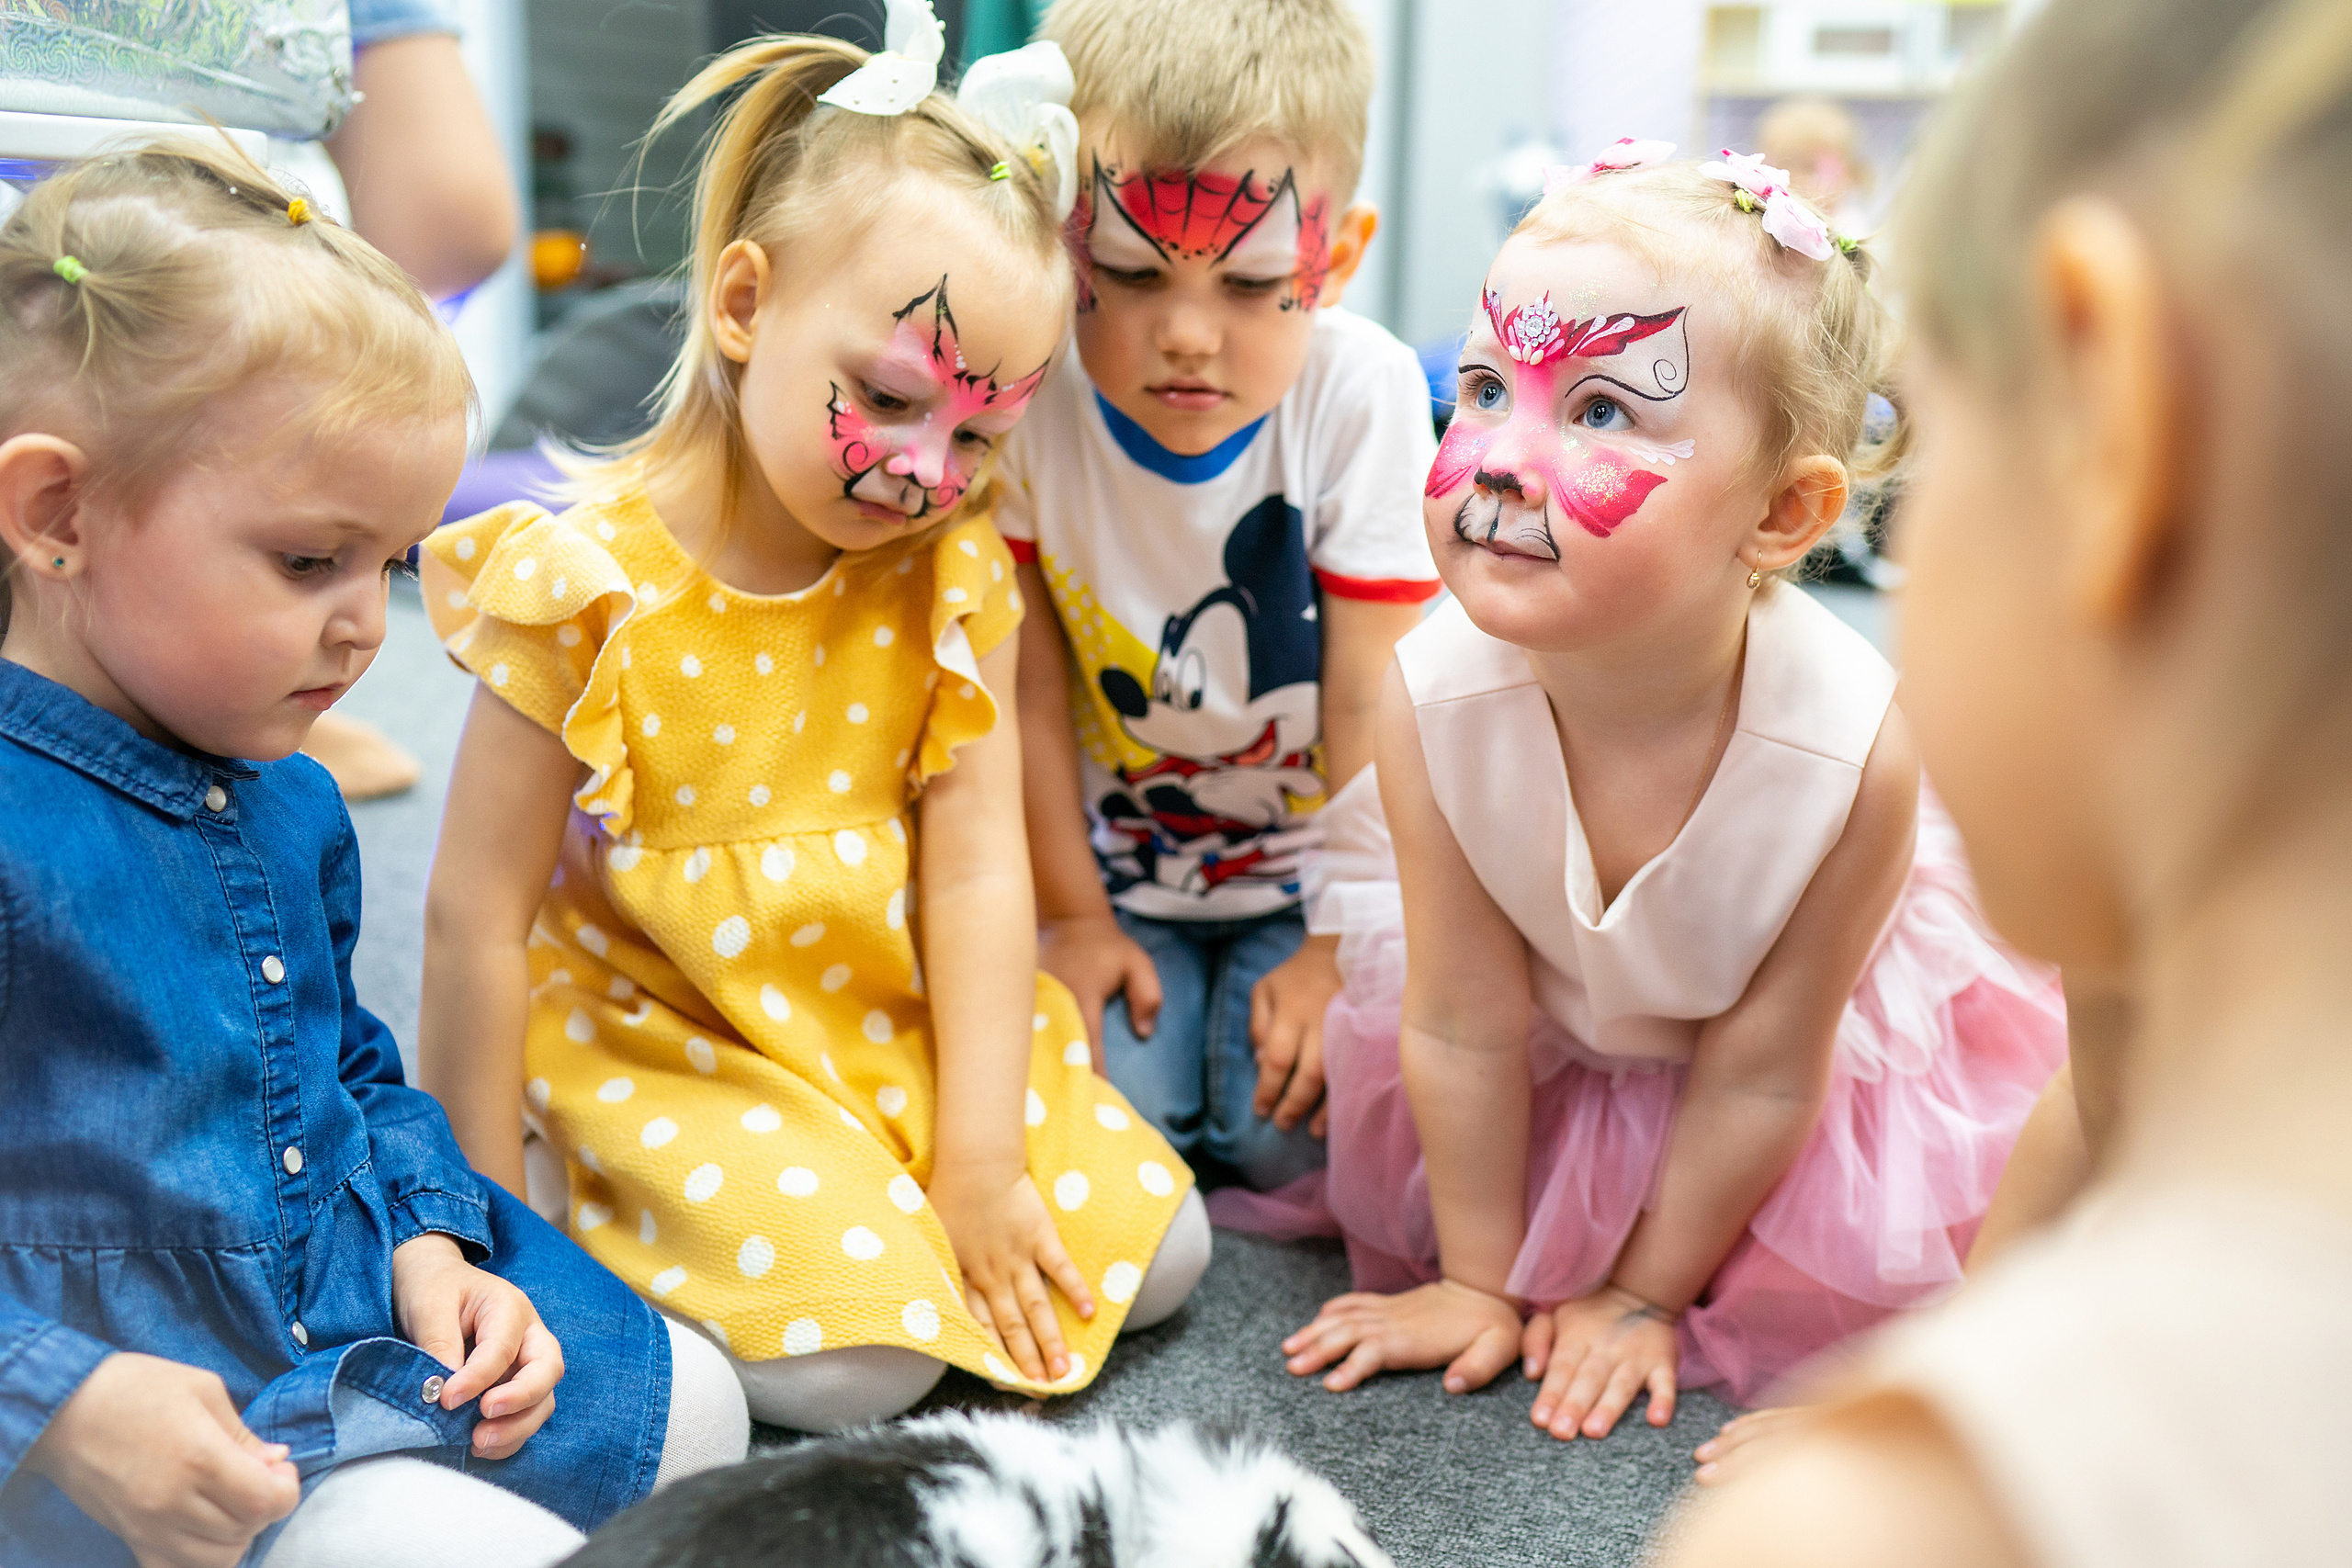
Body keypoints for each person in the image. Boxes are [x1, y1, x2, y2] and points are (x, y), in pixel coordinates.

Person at [417, 20, 1210, 1436]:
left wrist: (977, 1159)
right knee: (862, 1367)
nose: (927, 470)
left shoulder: (948, 573)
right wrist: (484, 1225)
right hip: (677, 1037)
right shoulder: (580, 587)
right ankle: (575, 1184)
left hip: (880, 1013)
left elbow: (974, 872)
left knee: (1166, 1259)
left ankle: (902, 1203)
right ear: (742, 302)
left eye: (980, 434)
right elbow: (473, 920)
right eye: (894, 398)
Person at [1664, 0, 2352, 1561]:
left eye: (1930, 431)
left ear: (2113, 428)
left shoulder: (1899, 1528)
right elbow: (2087, 1118)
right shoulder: (2127, 990)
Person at [0, 139, 745, 1568]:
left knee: (690, 1408)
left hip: (322, 1285)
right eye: (306, 563)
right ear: (57, 515)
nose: (364, 629)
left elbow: (343, 1069)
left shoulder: (287, 796)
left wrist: (429, 1248)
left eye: (389, 565)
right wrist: (70, 1407)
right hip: (129, 1397)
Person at [1267, 139, 2070, 1436]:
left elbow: (1764, 1070)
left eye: (1598, 412)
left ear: (1782, 515)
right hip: (1551, 1035)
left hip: (1785, 1084)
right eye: (1481, 389)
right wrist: (1478, 1277)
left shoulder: (1852, 759)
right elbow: (1464, 1019)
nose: (1500, 459)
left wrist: (1641, 1292)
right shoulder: (1431, 703)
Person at [1003, 0, 1442, 1196]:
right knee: (1124, 1152)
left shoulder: (1365, 390)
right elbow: (1029, 693)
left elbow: (1371, 703)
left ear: (1338, 256)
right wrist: (1072, 919)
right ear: (1061, 235)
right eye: (1132, 273)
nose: (1186, 335)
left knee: (1272, 1148)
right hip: (1115, 868)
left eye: (1253, 286)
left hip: (1315, 879)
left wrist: (1335, 946)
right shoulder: (1032, 393)